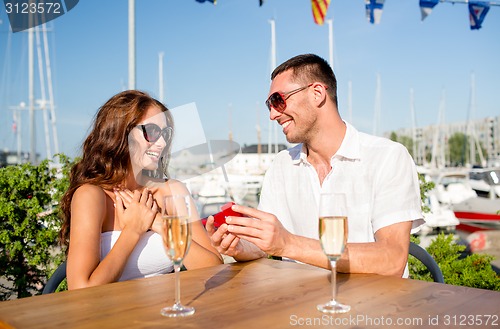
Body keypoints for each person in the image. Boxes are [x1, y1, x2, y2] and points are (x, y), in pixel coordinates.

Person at [206, 54, 423, 277]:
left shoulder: (387, 157)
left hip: (371, 307)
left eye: (278, 100)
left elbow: (392, 260)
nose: (272, 114)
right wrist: (241, 248)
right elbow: (265, 246)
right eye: (269, 105)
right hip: (301, 305)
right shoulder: (282, 165)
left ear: (317, 93)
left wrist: (288, 244)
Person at [59, 90, 222, 290]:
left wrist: (159, 224)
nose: (162, 143)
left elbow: (213, 266)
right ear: (120, 132)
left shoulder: (172, 191)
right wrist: (133, 230)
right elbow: (80, 289)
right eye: (152, 131)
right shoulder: (91, 196)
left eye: (165, 134)